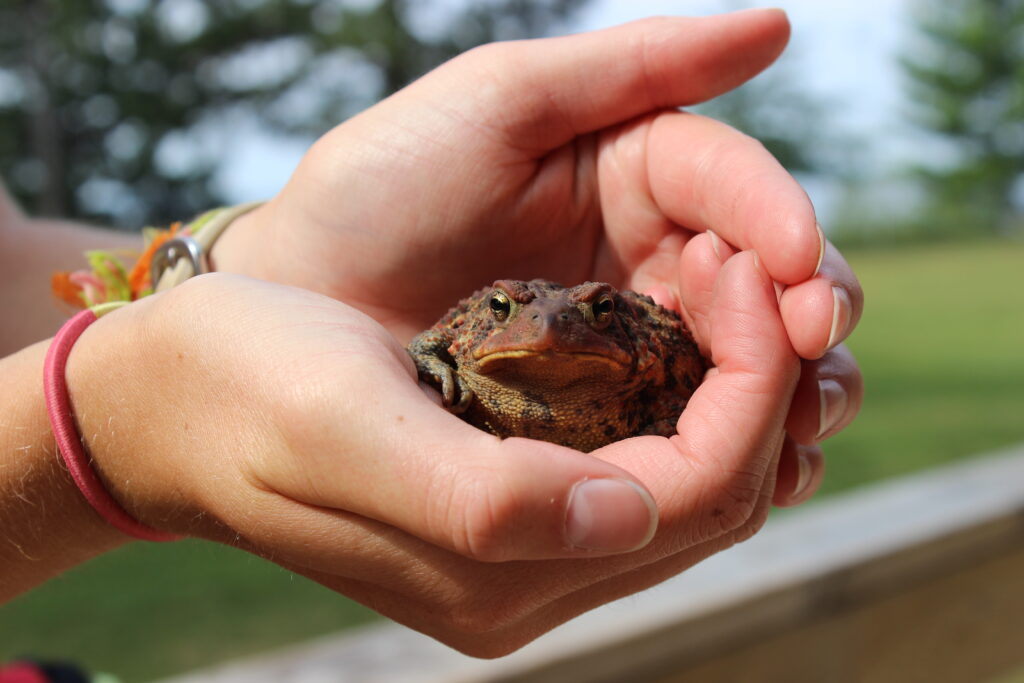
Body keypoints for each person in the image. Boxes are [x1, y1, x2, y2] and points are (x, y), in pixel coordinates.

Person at [0, 10, 862, 657]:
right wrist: (110, 424)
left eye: (590, 313)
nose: (549, 328)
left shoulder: (638, 347)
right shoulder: (463, 344)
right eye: (511, 316)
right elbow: (437, 342)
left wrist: (255, 256)